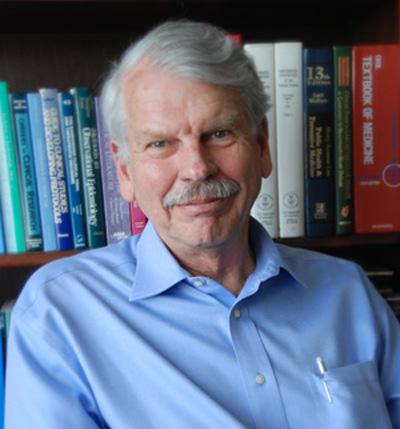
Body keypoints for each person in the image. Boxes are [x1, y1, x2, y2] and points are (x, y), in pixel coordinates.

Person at [5, 20, 400, 429]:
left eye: (219, 133)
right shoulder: (59, 314)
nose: (197, 168)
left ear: (262, 147)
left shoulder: (349, 293)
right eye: (161, 144)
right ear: (123, 170)